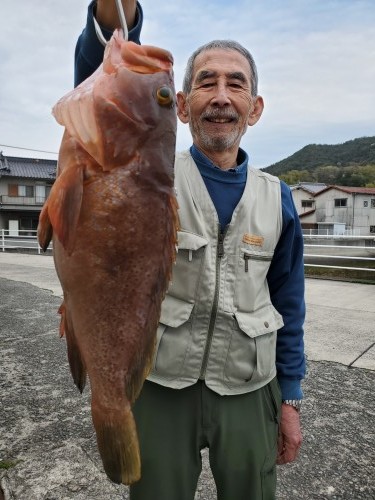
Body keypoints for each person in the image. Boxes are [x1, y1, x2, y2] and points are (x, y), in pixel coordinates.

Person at [75, 1, 306, 499]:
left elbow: (289, 305)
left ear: (255, 107)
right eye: (205, 82)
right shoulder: (142, 169)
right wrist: (120, 19)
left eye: (235, 84)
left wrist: (290, 397)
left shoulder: (279, 198)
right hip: (160, 384)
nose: (221, 96)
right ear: (180, 106)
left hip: (249, 387)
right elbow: (103, 98)